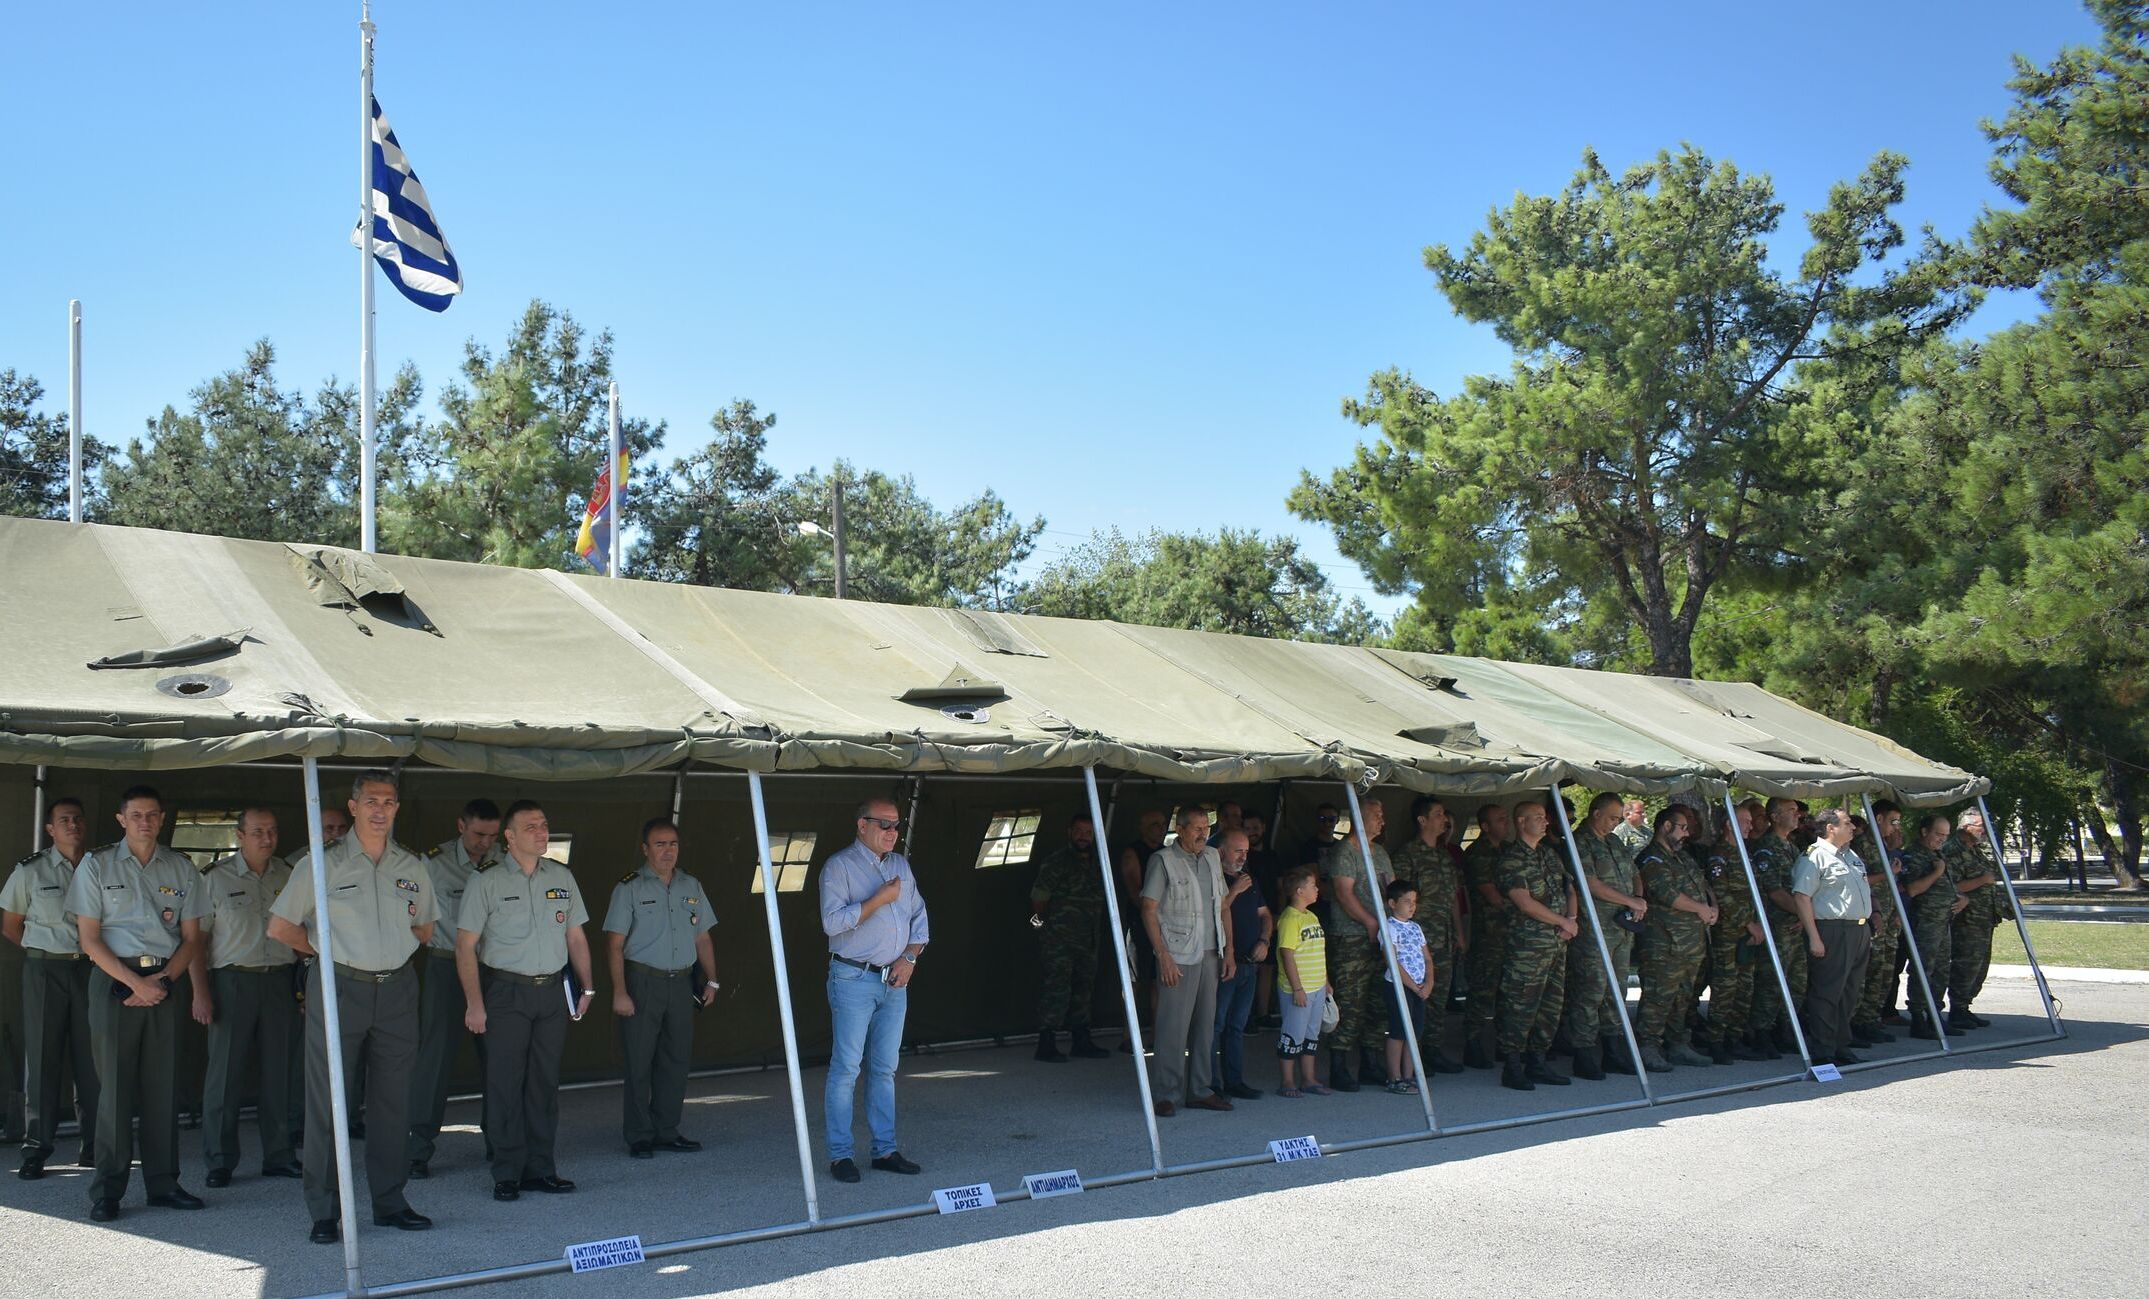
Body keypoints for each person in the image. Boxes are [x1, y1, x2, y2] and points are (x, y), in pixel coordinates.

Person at [268, 769, 436, 1243]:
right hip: (340, 986)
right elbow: (280, 927)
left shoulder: (411, 865)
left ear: (396, 808)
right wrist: (326, 951)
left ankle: (390, 1201)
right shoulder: (322, 863)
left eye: (389, 802)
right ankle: (325, 1211)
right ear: (354, 806)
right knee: (329, 1102)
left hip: (397, 988)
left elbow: (425, 928)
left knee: (393, 1101)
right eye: (372, 801)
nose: (381, 810)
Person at [66, 785, 208, 1222]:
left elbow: (192, 939)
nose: (144, 822)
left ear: (162, 818)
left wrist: (160, 982)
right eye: (136, 815)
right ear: (121, 819)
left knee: (163, 1088)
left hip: (165, 981)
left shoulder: (182, 868)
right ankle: (108, 1190)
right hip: (115, 983)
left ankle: (163, 1184)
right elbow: (90, 940)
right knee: (114, 1091)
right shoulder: (97, 865)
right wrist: (135, 984)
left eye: (152, 814)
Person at [455, 799, 594, 1203]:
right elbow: (465, 946)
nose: (541, 832)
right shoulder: (487, 881)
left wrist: (587, 987)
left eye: (544, 824)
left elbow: (575, 937)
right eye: (531, 826)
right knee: (505, 1083)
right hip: (506, 991)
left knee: (543, 1082)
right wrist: (475, 1004)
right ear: (510, 837)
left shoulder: (562, 877)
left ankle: (541, 1169)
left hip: (551, 991)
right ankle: (507, 1171)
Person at [818, 797, 929, 1182]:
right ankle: (840, 1156)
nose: (892, 832)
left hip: (894, 980)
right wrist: (878, 899)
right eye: (884, 824)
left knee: (884, 1068)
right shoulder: (839, 866)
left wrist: (909, 958)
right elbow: (832, 923)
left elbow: (919, 917)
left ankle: (885, 1150)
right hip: (853, 977)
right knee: (847, 1068)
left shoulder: (900, 866)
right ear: (861, 825)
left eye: (897, 825)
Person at [195, 807, 302, 1188]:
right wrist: (200, 993)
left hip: (280, 981)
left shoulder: (289, 875)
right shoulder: (214, 878)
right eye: (257, 832)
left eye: (272, 831)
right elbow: (197, 942)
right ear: (239, 836)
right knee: (225, 1075)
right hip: (232, 981)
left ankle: (279, 1154)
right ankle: (220, 1160)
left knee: (280, 1072)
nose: (266, 839)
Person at [604, 817, 718, 1159]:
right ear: (645, 849)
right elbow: (614, 945)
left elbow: (702, 937)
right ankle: (639, 1134)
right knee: (639, 1061)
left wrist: (712, 979)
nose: (668, 851)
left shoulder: (691, 885)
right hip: (643, 982)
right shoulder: (629, 888)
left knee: (676, 1059)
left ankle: (666, 1130)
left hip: (681, 983)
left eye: (673, 844)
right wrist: (620, 991)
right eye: (659, 844)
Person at [2, 796, 97, 1180]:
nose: (72, 825)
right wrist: (43, 951)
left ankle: (94, 1146)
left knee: (93, 1060)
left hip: (90, 969)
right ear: (50, 829)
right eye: (64, 820)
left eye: (77, 819)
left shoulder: (99, 866)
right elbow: (11, 925)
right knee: (42, 1058)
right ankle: (36, 1149)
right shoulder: (30, 871)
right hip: (45, 970)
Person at [406, 798, 500, 1180]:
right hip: (446, 966)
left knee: (499, 1059)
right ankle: (417, 1149)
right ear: (461, 826)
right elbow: (411, 916)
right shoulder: (432, 863)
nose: (486, 843)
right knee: (434, 1058)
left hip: (493, 968)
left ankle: (501, 1142)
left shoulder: (505, 861)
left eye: (493, 836)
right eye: (479, 834)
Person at [1139, 808, 1232, 1116]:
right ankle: (1166, 1093)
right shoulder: (1163, 860)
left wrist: (1229, 950)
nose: (1203, 833)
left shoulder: (1213, 857)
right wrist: (1162, 956)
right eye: (1197, 828)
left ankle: (1200, 1090)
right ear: (1179, 830)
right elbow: (1148, 909)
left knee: (1206, 1026)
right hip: (1178, 955)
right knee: (1172, 1027)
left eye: (1206, 827)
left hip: (1210, 952)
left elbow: (1223, 905)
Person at [1495, 800, 1576, 1091]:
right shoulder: (1512, 859)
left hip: (1556, 942)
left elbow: (1569, 889)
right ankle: (1513, 1065)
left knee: (1551, 1005)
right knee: (1520, 1004)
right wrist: (1562, 921)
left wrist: (1571, 919)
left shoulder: (1549, 854)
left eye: (1544, 817)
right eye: (1538, 817)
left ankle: (1538, 1062)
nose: (1545, 822)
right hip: (1527, 946)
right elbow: (1524, 902)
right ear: (1521, 821)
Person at [1319, 799, 1393, 1091]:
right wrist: (1370, 922)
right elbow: (1343, 893)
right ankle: (1338, 1065)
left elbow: (1391, 888)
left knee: (1378, 1000)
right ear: (1359, 817)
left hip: (1380, 938)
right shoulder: (1344, 852)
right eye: (1376, 815)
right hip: (1351, 938)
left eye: (1382, 815)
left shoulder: (1381, 853)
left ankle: (1369, 1062)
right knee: (1350, 1001)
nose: (1382, 820)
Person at [1634, 808, 1716, 1071]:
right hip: (1664, 943)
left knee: (1683, 997)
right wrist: (1700, 909)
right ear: (1666, 826)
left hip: (1690, 941)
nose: (1687, 833)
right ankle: (1648, 1046)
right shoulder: (1652, 859)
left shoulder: (1682, 857)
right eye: (1682, 828)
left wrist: (1712, 907)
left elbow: (1703, 885)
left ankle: (1678, 1043)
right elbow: (1666, 893)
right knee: (1658, 996)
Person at [1389, 795, 1465, 1075]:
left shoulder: (1445, 856)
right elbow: (1399, 901)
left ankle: (1433, 1050)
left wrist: (1459, 932)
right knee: (1416, 997)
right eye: (1438, 814)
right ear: (1422, 820)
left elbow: (1453, 897)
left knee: (1439, 994)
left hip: (1443, 937)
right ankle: (1414, 1056)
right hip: (1414, 942)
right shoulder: (1407, 855)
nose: (1444, 819)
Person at [1792, 809, 1873, 1067]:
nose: (1853, 827)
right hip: (1832, 929)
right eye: (1847, 823)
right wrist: (1814, 937)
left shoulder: (1850, 855)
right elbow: (1802, 896)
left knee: (1849, 992)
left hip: (1858, 929)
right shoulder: (1814, 857)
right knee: (1827, 992)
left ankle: (1840, 1045)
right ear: (1830, 828)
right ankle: (1823, 1049)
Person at [1029, 812, 1110, 1063]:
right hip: (1059, 939)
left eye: (1088, 833)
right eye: (1079, 832)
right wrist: (1047, 925)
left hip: (1088, 939)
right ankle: (1047, 1042)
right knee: (1057, 988)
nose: (1083, 837)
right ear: (1069, 833)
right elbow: (1039, 899)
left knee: (1084, 989)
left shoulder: (1099, 862)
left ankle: (1081, 1040)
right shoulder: (1057, 862)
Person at [1700, 805, 1770, 1064]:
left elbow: (1757, 893)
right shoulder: (1720, 855)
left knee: (1744, 987)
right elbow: (1721, 894)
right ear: (1729, 824)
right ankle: (1716, 1041)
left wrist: (1758, 924)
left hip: (1749, 932)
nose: (1751, 826)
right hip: (1729, 933)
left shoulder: (1745, 854)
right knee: (1725, 987)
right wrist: (1748, 924)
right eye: (1745, 821)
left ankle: (1735, 1037)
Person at [1210, 828, 1270, 1101]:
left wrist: (1265, 940)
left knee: (1237, 1025)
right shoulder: (1213, 878)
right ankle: (1211, 1084)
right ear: (1221, 851)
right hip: (1224, 963)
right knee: (1216, 1025)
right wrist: (1233, 891)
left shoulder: (1250, 879)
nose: (1243, 857)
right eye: (1238, 851)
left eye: (1246, 852)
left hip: (1249, 964)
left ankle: (1234, 1081)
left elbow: (1266, 915)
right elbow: (1215, 912)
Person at [1745, 799, 1809, 1054]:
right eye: (1791, 811)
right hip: (1776, 926)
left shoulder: (1791, 847)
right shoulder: (1766, 849)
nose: (1797, 815)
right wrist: (1805, 915)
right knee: (1771, 981)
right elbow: (1775, 892)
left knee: (1796, 981)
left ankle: (1786, 1029)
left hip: (1795, 926)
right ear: (1774, 816)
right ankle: (1762, 1032)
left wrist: (1803, 917)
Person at [1460, 803, 1512, 1069]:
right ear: (1485, 826)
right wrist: (1528, 907)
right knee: (1482, 990)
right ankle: (1473, 1043)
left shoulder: (1509, 850)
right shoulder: (1477, 853)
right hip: (1488, 935)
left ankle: (1505, 1044)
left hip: (1511, 933)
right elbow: (1492, 895)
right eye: (1500, 819)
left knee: (1508, 991)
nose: (1506, 823)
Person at [1944, 808, 2005, 1030]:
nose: (1985, 831)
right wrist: (1983, 880)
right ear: (1966, 827)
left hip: (1983, 919)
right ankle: (1957, 1010)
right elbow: (1949, 885)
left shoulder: (1975, 850)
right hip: (1965, 920)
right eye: (1981, 827)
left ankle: (1964, 1006)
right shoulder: (1952, 850)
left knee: (1979, 966)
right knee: (1965, 964)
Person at [1899, 813, 1958, 1041]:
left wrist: (1959, 898)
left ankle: (1934, 1015)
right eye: (1938, 834)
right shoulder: (1914, 856)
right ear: (1924, 831)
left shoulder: (1937, 855)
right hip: (1924, 921)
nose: (1942, 839)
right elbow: (1913, 889)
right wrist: (1936, 872)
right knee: (1922, 969)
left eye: (1946, 835)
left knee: (1941, 969)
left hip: (1942, 921)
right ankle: (1917, 1017)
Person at [1849, 802, 1903, 1047]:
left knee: (1883, 973)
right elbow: (1858, 880)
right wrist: (1887, 874)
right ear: (1878, 818)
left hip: (1888, 918)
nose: (1895, 827)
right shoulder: (1862, 845)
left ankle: (1872, 1018)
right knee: (1868, 973)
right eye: (1892, 821)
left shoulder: (1883, 845)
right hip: (1871, 917)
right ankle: (1858, 1022)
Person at [1113, 809, 1168, 1049]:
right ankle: (1129, 1036)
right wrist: (1153, 916)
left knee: (1159, 980)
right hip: (1138, 924)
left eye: (1163, 824)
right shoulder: (1132, 853)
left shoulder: (1166, 853)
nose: (1161, 828)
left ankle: (1157, 1036)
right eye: (1155, 823)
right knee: (1134, 980)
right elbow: (1136, 892)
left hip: (1164, 925)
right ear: (1143, 827)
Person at [1272, 868, 1329, 1098]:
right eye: (1312, 886)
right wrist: (1297, 988)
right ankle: (1287, 1081)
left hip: (1317, 986)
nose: (1317, 889)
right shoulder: (1289, 919)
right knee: (1292, 1034)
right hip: (1299, 989)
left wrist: (1326, 981)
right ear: (1299, 891)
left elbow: (1318, 951)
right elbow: (1287, 953)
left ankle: (1308, 1078)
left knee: (1311, 1034)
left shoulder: (1311, 916)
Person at [1381, 880, 1431, 1096]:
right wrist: (1413, 986)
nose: (1412, 906)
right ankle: (1394, 1078)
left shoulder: (1416, 928)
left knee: (1415, 1032)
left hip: (1419, 987)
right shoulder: (1388, 927)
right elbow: (1391, 961)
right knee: (1399, 1032)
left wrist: (1428, 983)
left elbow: (1427, 958)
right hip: (1399, 986)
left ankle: (1409, 1075)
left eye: (1414, 902)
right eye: (1407, 901)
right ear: (1392, 903)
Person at [1243, 811, 1287, 1028]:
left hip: (1272, 916)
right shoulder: (1244, 857)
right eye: (1248, 828)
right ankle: (1247, 1016)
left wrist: (1281, 914)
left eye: (1256, 827)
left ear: (1264, 828)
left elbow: (1280, 887)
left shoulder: (1272, 856)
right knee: (1250, 966)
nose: (1252, 832)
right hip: (1250, 917)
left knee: (1268, 966)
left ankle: (1263, 1014)